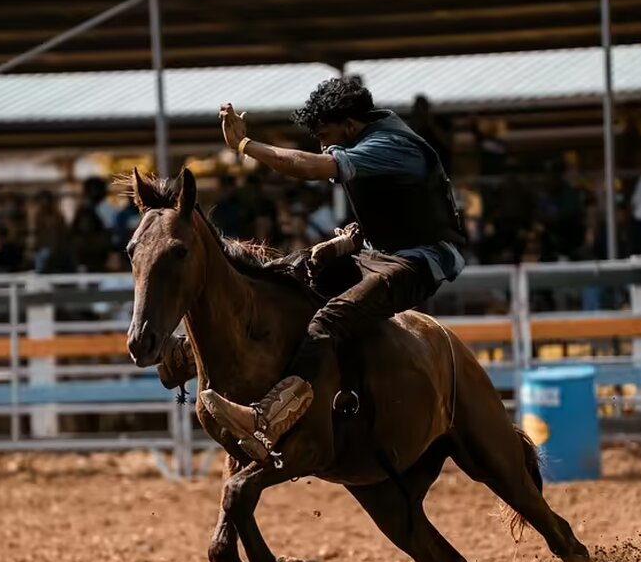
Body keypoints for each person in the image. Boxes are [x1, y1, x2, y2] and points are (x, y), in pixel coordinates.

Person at [199, 77, 467, 463]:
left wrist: (245, 146)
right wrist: (347, 243)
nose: (324, 145)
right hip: (377, 251)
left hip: (419, 261)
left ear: (350, 125)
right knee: (293, 271)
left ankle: (269, 418)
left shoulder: (391, 146)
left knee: (329, 321)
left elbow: (310, 167)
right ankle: (190, 351)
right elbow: (392, 205)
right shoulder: (368, 140)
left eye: (325, 135)